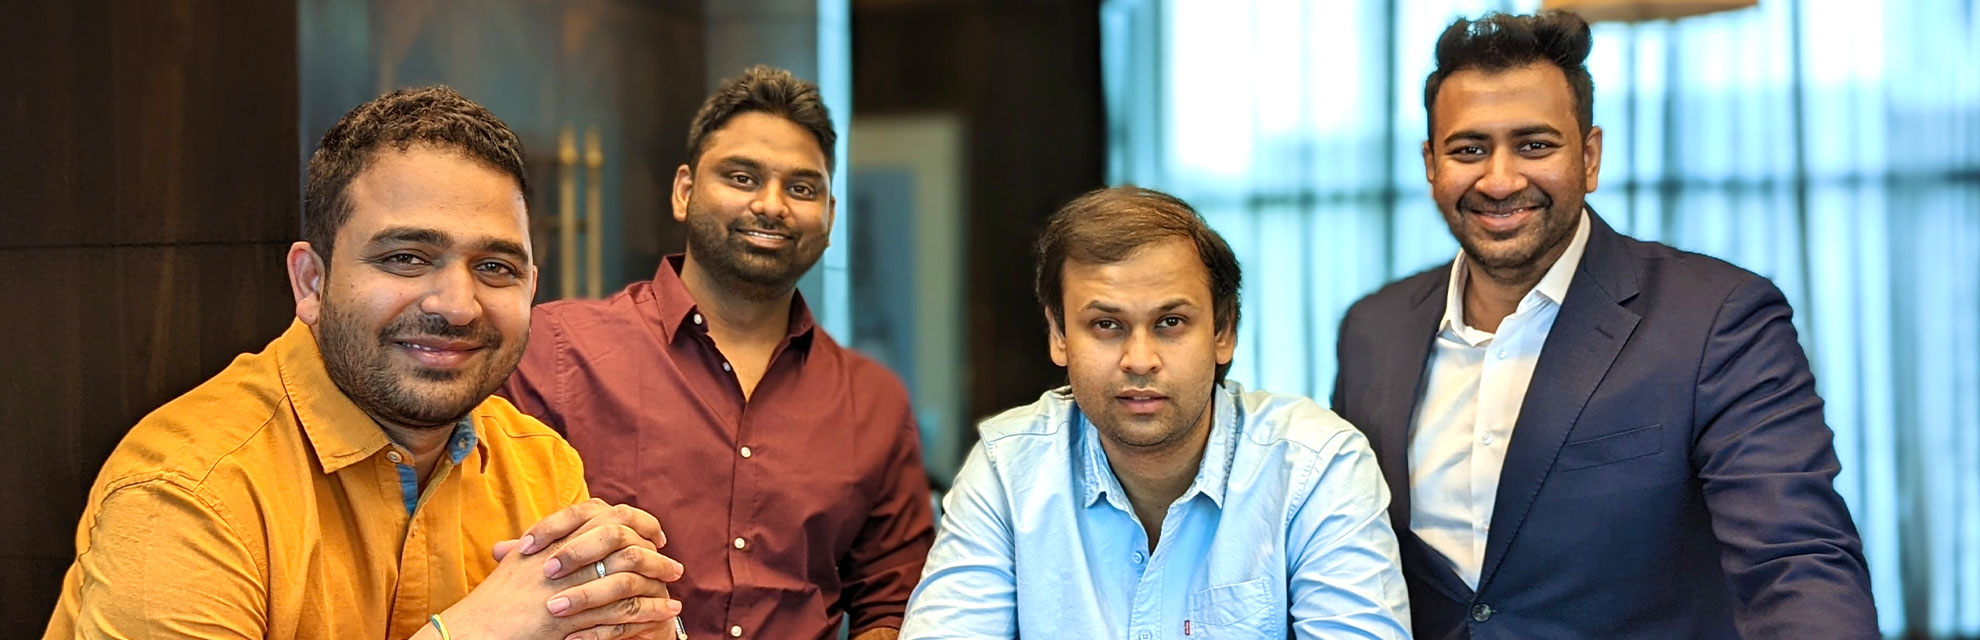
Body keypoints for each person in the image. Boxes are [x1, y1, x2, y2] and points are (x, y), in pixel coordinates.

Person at [44, 86, 683, 640]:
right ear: (311, 282)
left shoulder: (540, 465)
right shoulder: (189, 489)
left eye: (495, 267)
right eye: (406, 258)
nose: (457, 305)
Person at [1331, 11, 1879, 639]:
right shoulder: (1373, 329)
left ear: (1589, 158)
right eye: (1469, 150)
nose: (1500, 180)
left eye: (1535, 145)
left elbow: (1796, 559)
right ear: (1432, 164)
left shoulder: (1718, 320)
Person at [499, 66, 932, 640]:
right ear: (685, 192)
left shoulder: (872, 403)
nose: (771, 205)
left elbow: (893, 605)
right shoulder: (553, 352)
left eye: (802, 189)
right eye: (742, 177)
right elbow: (500, 557)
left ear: (829, 217)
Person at [901, 186, 1411, 639]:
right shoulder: (1007, 471)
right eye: (1106, 325)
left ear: (1223, 331)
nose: (1140, 360)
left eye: (1170, 322)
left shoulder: (1315, 465)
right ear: (1059, 335)